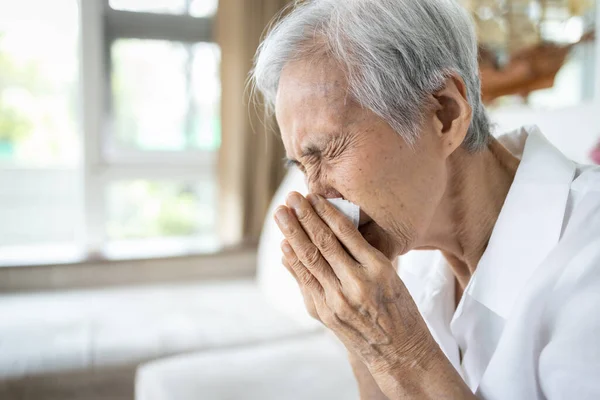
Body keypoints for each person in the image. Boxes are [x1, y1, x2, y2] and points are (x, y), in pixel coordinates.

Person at [251, 0, 600, 398]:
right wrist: (357, 334)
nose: (318, 195)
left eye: (327, 151)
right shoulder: (406, 246)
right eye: (302, 164)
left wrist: (400, 353)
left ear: (445, 115)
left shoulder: (589, 260)